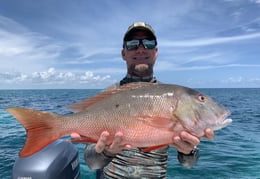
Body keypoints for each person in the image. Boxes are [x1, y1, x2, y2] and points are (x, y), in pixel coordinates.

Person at [71, 21, 214, 178]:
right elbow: (92, 163)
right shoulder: (108, 96)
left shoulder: (172, 98)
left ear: (156, 51)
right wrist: (107, 151)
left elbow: (189, 164)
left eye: (148, 43)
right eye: (132, 44)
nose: (140, 48)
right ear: (123, 53)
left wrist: (188, 151)